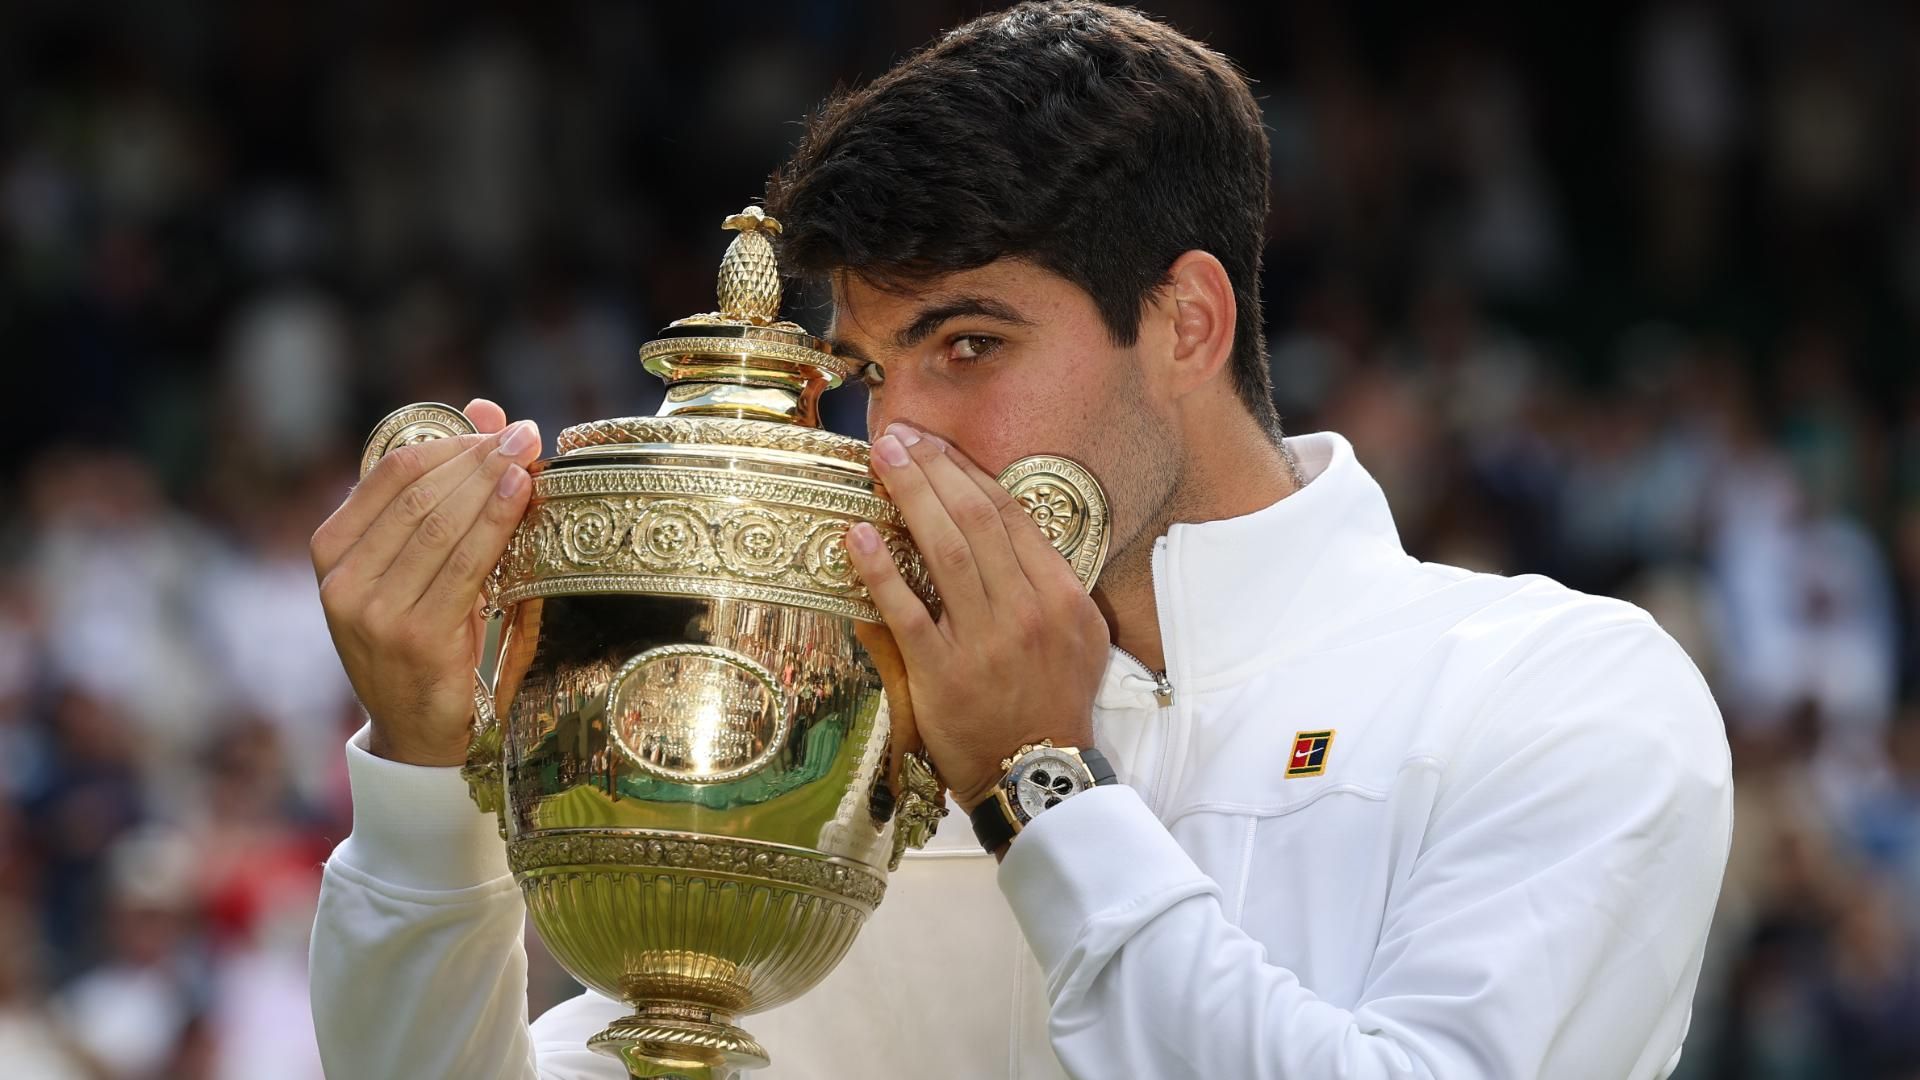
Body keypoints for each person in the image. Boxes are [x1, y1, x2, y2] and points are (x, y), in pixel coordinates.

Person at [307, 3, 1733, 1077]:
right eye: (872, 370)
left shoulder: (1557, 688)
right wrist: (428, 782)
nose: (898, 439)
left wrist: (1046, 794)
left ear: (1187, 322)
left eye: (969, 343)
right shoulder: (857, 740)